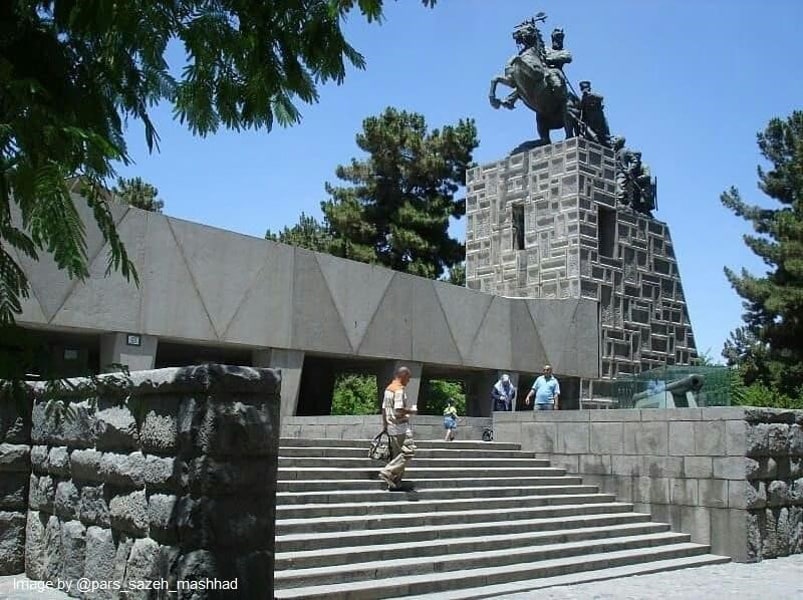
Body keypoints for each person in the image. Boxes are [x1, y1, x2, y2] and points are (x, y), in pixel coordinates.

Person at [378, 366, 417, 490]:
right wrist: (412, 411)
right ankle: (387, 471)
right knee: (408, 452)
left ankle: (395, 483)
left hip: (391, 427)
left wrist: (385, 425)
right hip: (400, 427)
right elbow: (398, 409)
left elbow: (384, 409)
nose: (409, 381)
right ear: (403, 376)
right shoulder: (399, 390)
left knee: (397, 456)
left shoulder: (388, 389)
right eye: (408, 378)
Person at [577, 80, 611, 145]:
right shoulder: (583, 99)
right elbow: (582, 110)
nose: (584, 90)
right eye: (583, 89)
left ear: (589, 88)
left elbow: (601, 98)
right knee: (589, 132)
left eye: (586, 88)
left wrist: (591, 95)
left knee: (604, 136)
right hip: (590, 122)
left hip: (599, 120)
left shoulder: (594, 95)